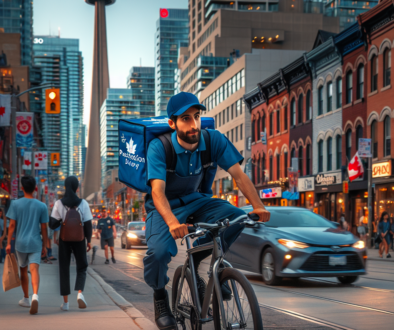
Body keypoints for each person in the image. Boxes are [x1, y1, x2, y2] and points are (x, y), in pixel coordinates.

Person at [143, 92, 270, 329]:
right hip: (166, 208)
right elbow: (157, 193)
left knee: (237, 217)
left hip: (199, 200)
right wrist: (172, 223)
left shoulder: (213, 140)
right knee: (158, 253)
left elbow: (239, 176)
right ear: (172, 123)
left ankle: (204, 262)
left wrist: (258, 205)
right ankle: (160, 295)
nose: (193, 125)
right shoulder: (159, 147)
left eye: (197, 117)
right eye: (185, 119)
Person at [5, 176, 49, 315]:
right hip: (35, 242)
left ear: (22, 188)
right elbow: (44, 228)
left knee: (23, 271)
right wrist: (45, 245)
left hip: (20, 243)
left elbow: (12, 225)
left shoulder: (15, 204)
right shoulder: (42, 206)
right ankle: (35, 295)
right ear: (35, 189)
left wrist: (7, 243)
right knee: (34, 269)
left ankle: (26, 298)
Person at [51, 176, 93, 311]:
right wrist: (89, 241)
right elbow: (88, 225)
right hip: (79, 239)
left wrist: (62, 220)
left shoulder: (59, 203)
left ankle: (66, 303)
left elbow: (52, 224)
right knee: (82, 267)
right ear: (77, 188)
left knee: (64, 269)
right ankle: (80, 294)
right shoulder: (84, 203)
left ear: (65, 187)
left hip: (64, 239)